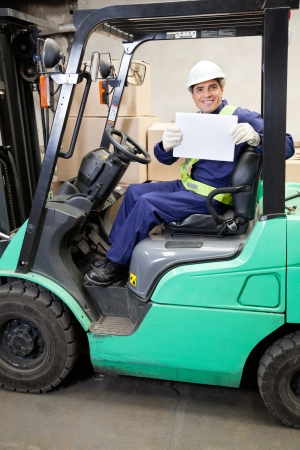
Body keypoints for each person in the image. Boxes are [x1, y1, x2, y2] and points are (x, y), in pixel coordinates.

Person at [85, 60, 294, 286]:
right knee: (135, 191)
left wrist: (258, 138)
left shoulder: (242, 117)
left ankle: (114, 265)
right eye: (199, 89)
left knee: (148, 203)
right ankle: (116, 254)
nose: (207, 94)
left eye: (212, 87)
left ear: (222, 89)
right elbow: (166, 159)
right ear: (193, 95)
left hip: (212, 197)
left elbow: (287, 145)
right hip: (190, 187)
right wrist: (164, 146)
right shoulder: (195, 121)